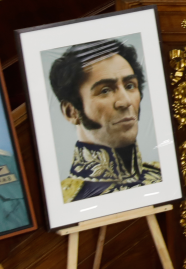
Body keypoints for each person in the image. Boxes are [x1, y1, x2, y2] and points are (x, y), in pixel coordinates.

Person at [48, 39, 161, 203]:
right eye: (105, 90)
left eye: (130, 86)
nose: (126, 101)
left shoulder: (162, 176)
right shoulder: (65, 200)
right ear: (71, 112)